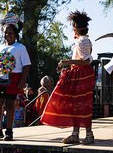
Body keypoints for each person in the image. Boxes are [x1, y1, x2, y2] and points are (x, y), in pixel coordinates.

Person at [41, 11, 96, 144]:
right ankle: (75, 134)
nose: (73, 29)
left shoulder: (83, 41)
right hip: (80, 74)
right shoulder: (84, 40)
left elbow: (86, 61)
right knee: (77, 104)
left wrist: (67, 62)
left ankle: (88, 135)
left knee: (82, 104)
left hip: (81, 74)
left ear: (76, 28)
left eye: (73, 26)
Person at [0, 13, 31, 141]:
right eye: (6, 32)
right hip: (0, 77)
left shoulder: (20, 47)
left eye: (11, 33)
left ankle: (9, 131)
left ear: (16, 34)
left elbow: (26, 65)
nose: (8, 35)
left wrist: (22, 81)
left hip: (14, 77)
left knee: (10, 103)